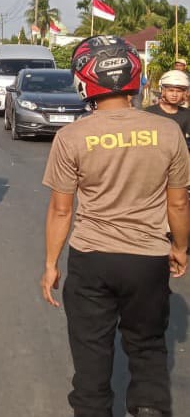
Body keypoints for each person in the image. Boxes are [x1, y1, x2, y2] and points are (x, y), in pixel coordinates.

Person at [41, 35, 190, 417]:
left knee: (91, 364)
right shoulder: (168, 132)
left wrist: (51, 265)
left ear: (84, 80)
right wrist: (179, 249)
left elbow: (61, 210)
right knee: (148, 349)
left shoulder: (70, 136)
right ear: (134, 75)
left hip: (92, 260)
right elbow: (179, 202)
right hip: (147, 260)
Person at [145, 70, 190, 141]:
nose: (174, 95)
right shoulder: (148, 113)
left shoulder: (187, 114)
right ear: (162, 91)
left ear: (184, 93)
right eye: (171, 90)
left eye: (179, 91)